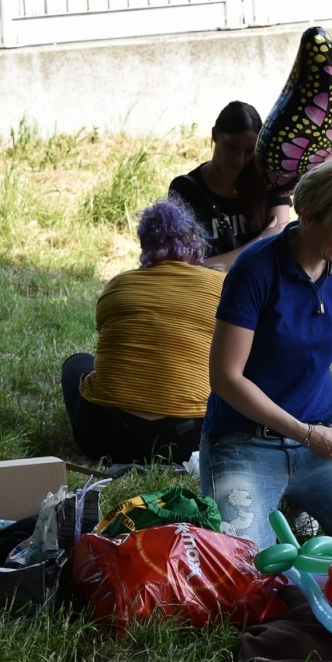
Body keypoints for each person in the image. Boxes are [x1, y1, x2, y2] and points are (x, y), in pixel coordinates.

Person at [200, 159, 332, 550]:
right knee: (243, 566)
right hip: (243, 442)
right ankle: (290, 509)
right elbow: (225, 377)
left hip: (318, 442)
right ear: (307, 217)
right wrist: (305, 434)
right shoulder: (254, 269)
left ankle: (295, 506)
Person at [62, 197, 225, 466]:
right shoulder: (221, 286)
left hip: (102, 438)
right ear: (194, 240)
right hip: (185, 443)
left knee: (77, 363)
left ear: (145, 245)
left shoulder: (118, 284)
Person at [169, 101, 291, 270]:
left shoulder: (270, 181)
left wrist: (222, 262)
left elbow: (276, 248)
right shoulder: (185, 190)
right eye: (232, 146)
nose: (239, 158)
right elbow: (186, 267)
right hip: (207, 286)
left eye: (249, 150)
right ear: (214, 135)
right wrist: (260, 241)